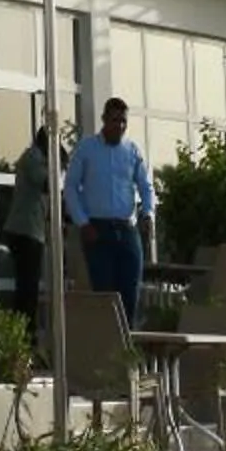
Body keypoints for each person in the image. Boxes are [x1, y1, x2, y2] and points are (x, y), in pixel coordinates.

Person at [64, 96, 154, 318]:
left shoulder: (132, 150)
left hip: (126, 228)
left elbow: (145, 186)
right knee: (105, 296)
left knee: (130, 293)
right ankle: (106, 339)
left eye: (123, 121)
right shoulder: (87, 148)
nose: (119, 126)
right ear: (104, 119)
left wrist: (148, 213)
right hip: (97, 230)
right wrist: (83, 223)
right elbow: (71, 187)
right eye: (115, 120)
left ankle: (127, 339)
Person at [1, 122, 53, 320]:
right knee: (27, 286)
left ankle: (24, 327)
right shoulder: (33, 156)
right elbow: (47, 183)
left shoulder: (36, 157)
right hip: (25, 231)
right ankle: (24, 329)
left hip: (30, 230)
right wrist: (57, 167)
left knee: (28, 284)